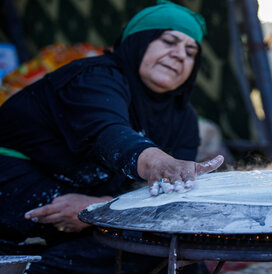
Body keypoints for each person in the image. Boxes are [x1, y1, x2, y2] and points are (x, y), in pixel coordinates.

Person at [0, 1, 223, 273]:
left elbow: (166, 195)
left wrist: (99, 208)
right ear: (138, 41)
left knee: (179, 253)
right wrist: (158, 164)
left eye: (191, 52)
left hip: (90, 200)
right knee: (136, 247)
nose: (180, 55)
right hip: (17, 184)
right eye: (168, 42)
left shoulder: (182, 116)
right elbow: (110, 135)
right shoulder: (95, 77)